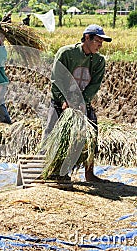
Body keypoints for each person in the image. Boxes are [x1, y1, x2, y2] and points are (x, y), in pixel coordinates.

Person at [43, 24, 112, 182]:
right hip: (61, 100)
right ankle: (47, 169)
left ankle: (89, 173)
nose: (100, 45)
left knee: (91, 133)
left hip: (82, 101)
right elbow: (56, 79)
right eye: (98, 41)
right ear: (87, 38)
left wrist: (83, 101)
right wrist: (63, 100)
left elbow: (94, 84)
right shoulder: (67, 53)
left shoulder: (99, 61)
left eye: (102, 42)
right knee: (51, 131)